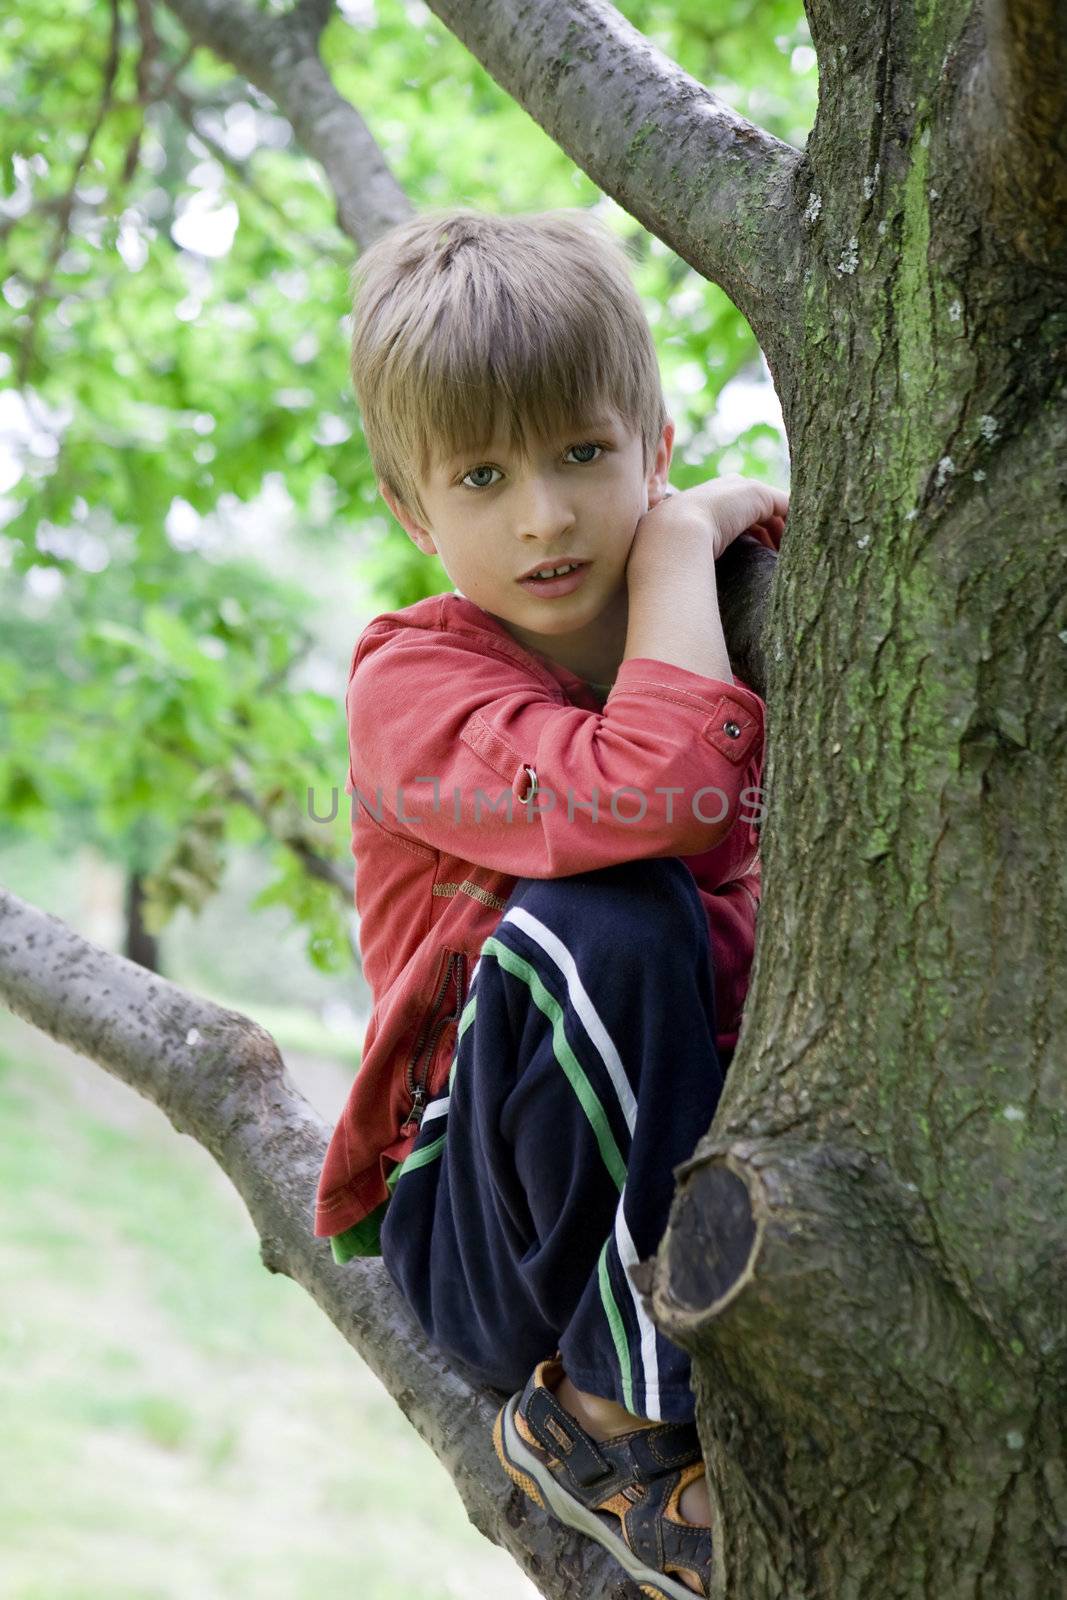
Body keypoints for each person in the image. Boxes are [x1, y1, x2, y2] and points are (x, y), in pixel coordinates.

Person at [313, 206, 787, 1600]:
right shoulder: (412, 687)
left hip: (669, 1194)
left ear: (655, 442)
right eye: (482, 475)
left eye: (585, 453)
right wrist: (676, 547)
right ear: (414, 508)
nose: (546, 514)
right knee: (622, 915)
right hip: (477, 1231)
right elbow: (659, 796)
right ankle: (606, 1422)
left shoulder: (738, 619)